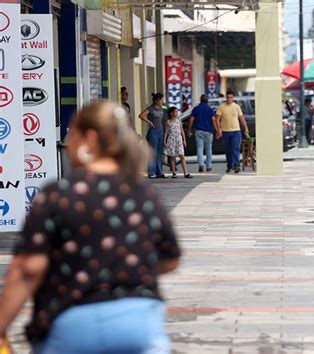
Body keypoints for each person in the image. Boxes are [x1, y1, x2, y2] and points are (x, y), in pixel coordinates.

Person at [0, 102, 181, 353]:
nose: (68, 144)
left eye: (71, 136)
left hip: (72, 324)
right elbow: (170, 259)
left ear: (90, 139)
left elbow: (28, 269)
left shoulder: (58, 196)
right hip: (140, 325)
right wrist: (120, 265)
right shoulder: (145, 194)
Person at [216, 90, 249, 174]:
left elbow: (241, 118)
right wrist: (219, 129)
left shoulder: (236, 107)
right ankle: (229, 165)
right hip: (225, 131)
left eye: (231, 97)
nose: (229, 99)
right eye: (227, 97)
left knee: (235, 148)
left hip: (236, 131)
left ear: (233, 98)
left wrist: (246, 128)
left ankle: (236, 165)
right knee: (228, 150)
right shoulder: (221, 107)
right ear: (225, 97)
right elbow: (217, 119)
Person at [139, 93, 168, 178]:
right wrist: (150, 122)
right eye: (161, 100)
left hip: (160, 131)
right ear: (156, 100)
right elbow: (141, 115)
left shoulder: (162, 109)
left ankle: (159, 171)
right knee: (152, 152)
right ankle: (151, 172)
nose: (162, 101)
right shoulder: (151, 108)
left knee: (159, 152)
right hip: (153, 132)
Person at [188, 95, 218, 172]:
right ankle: (209, 166)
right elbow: (213, 120)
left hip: (198, 131)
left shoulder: (196, 109)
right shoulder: (210, 109)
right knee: (208, 149)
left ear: (200, 100)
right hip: (208, 131)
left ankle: (201, 165)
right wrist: (217, 130)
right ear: (207, 100)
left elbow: (191, 119)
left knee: (199, 148)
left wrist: (189, 130)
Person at [165, 107, 192, 179]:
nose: (177, 113)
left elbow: (182, 130)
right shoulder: (168, 122)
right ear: (171, 113)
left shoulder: (178, 121)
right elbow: (166, 132)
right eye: (175, 112)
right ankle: (173, 172)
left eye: (177, 112)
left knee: (182, 156)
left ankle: (185, 172)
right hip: (171, 140)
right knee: (172, 157)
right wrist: (165, 141)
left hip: (178, 140)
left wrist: (184, 140)